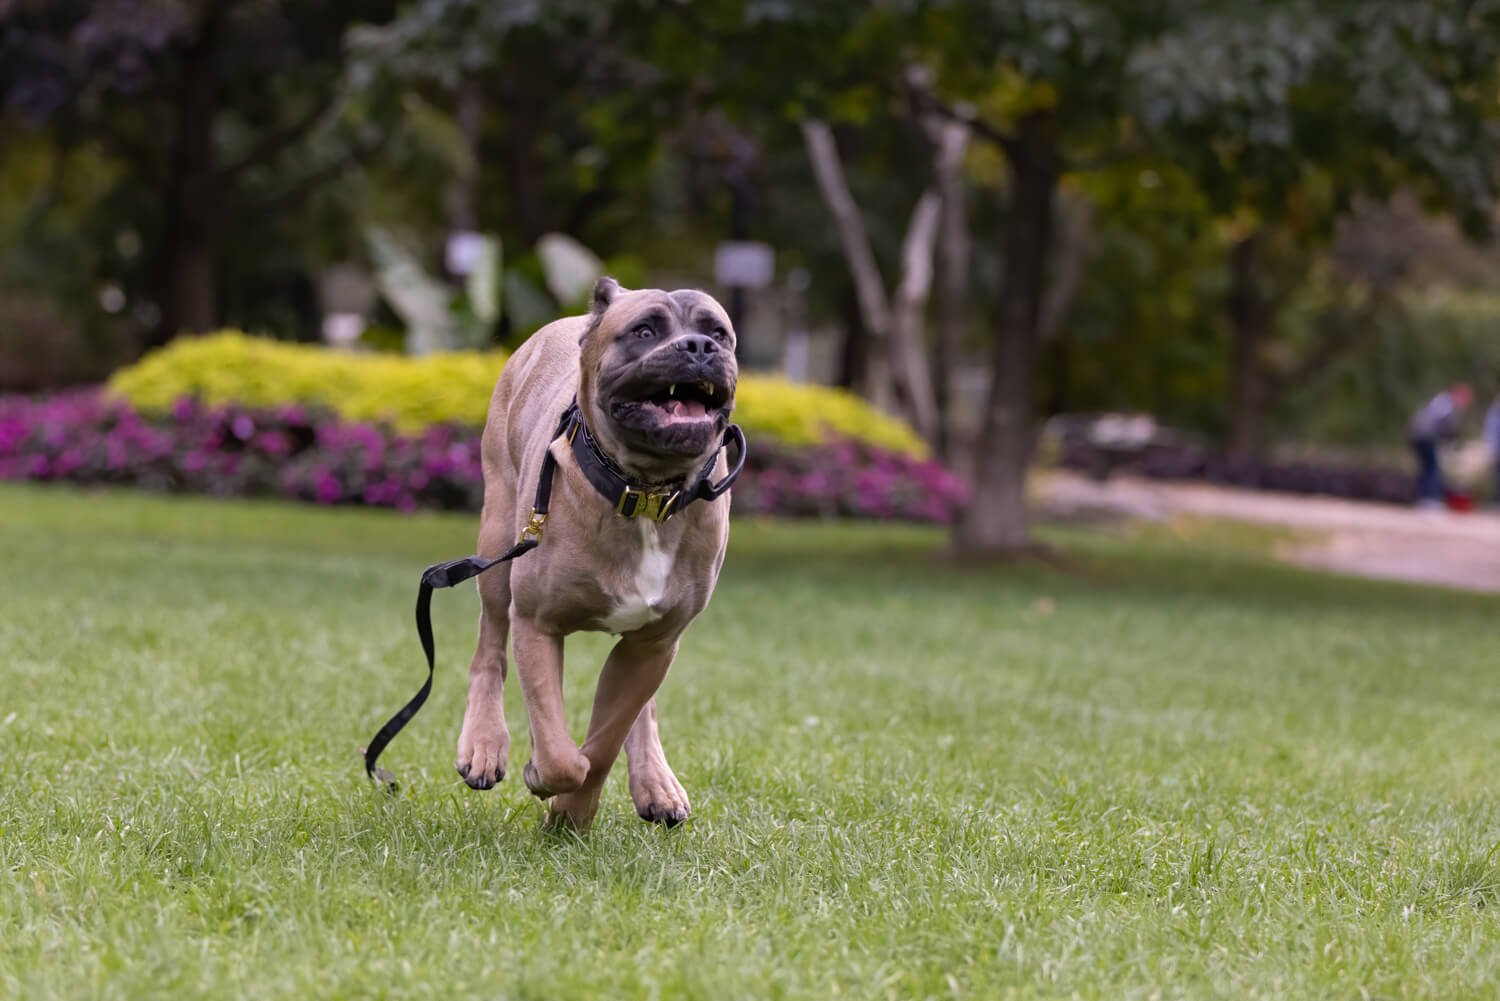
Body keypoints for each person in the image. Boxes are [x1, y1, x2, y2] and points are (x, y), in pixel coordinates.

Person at [1408, 382, 1472, 509]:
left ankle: (1423, 497)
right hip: (1425, 435)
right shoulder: (1446, 403)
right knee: (1432, 468)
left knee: (1427, 467)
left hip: (1419, 434)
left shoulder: (1442, 401)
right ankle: (1429, 499)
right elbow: (1440, 423)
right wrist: (1454, 438)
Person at [1485, 392, 1500, 507]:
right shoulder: (1494, 413)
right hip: (1497, 449)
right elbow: (1490, 433)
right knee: (1497, 475)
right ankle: (1497, 500)